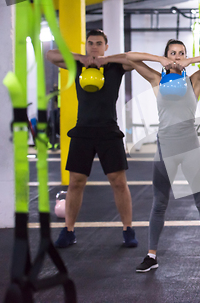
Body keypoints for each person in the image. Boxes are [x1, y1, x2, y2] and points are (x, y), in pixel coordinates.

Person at [126, 40, 200, 273]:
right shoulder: (156, 80)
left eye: (181, 53)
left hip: (191, 148)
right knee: (159, 204)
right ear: (166, 56)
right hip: (165, 150)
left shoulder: (195, 80)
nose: (177, 56)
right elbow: (130, 56)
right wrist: (159, 60)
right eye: (173, 53)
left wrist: (191, 61)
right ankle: (151, 255)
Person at [46, 29, 138, 248]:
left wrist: (106, 59)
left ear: (106, 45)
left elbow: (134, 58)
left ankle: (128, 230)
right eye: (90, 43)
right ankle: (68, 231)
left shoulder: (115, 67)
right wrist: (80, 57)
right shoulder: (78, 65)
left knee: (118, 182)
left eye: (99, 43)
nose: (94, 46)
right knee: (76, 183)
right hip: (83, 131)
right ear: (86, 45)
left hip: (109, 131)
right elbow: (51, 55)